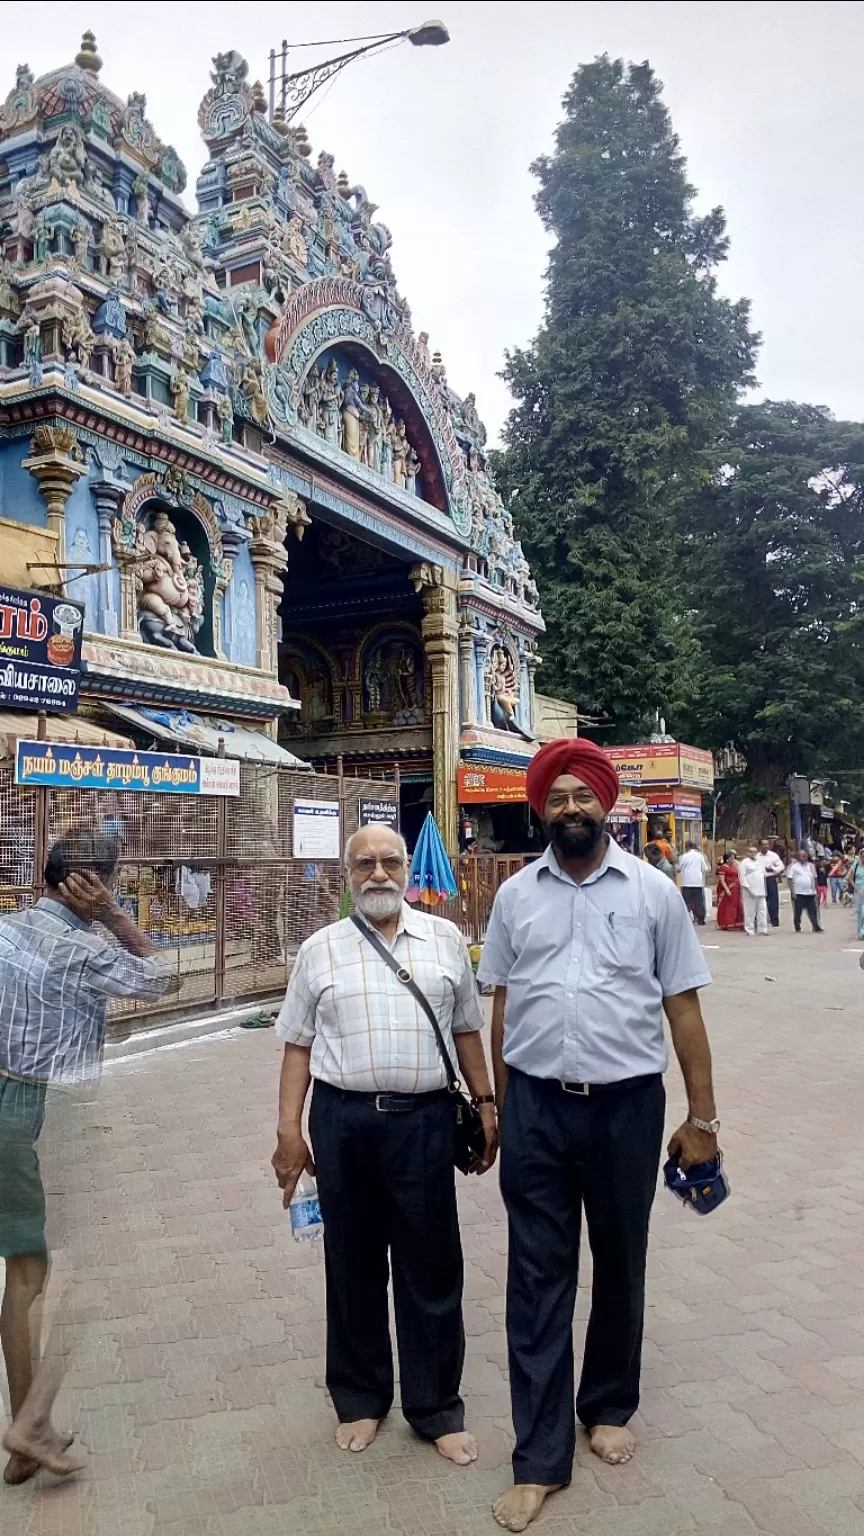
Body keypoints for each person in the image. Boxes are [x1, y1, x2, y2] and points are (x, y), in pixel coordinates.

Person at [477, 738, 717, 1533]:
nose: (571, 808)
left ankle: (608, 1404)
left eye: (585, 796)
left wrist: (703, 1119)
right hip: (538, 1108)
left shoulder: (651, 893)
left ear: (605, 805)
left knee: (620, 1261)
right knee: (536, 1277)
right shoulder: (516, 898)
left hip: (627, 1108)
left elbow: (683, 1007)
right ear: (540, 807)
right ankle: (539, 1459)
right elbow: (502, 1004)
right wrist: (497, 1108)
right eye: (559, 797)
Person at [271, 825, 497, 1466]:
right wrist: (289, 1129)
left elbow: (467, 1032)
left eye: (389, 862)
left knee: (432, 1265)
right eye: (364, 863)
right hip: (341, 1123)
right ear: (347, 873)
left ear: (406, 871)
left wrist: (486, 1107)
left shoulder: (445, 940)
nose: (378, 873)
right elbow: (296, 1044)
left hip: (424, 1124)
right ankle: (362, 1398)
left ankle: (435, 1408)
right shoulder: (320, 950)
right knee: (352, 1264)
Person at [0, 832, 172, 1486]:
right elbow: (164, 977)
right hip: (52, 1113)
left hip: (3, 1103)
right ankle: (29, 1422)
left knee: (25, 1271)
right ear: (92, 884)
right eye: (112, 883)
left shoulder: (6, 930)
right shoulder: (81, 947)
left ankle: (24, 1438)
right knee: (91, 1275)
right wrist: (117, 918)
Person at [787, 848, 822, 933]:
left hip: (810, 893)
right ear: (797, 857)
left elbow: (815, 878)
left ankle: (816, 926)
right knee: (798, 912)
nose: (803, 858)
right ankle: (797, 925)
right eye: (801, 856)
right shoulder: (794, 866)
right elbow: (789, 880)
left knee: (813, 910)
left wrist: (816, 890)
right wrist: (793, 892)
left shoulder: (811, 866)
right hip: (798, 893)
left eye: (804, 856)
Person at [677, 842, 710, 925]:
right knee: (699, 902)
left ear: (687, 847)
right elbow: (705, 869)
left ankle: (683, 919)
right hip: (697, 883)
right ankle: (701, 919)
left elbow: (678, 869)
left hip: (686, 883)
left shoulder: (683, 857)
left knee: (686, 902)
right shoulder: (700, 856)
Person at [739, 847, 769, 936]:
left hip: (761, 890)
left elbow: (763, 874)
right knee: (750, 911)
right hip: (749, 890)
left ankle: (762, 929)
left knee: (762, 910)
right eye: (751, 852)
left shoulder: (759, 861)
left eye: (755, 852)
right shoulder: (744, 862)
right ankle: (749, 929)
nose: (753, 853)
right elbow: (742, 877)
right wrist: (748, 889)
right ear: (747, 852)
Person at [757, 839, 785, 929]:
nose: (765, 846)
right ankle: (762, 920)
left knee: (773, 900)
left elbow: (781, 866)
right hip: (760, 879)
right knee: (761, 900)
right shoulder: (757, 856)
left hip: (770, 878)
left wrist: (773, 869)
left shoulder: (773, 855)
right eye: (763, 845)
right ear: (760, 846)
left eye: (767, 845)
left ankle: (774, 920)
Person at [715, 850, 744, 931]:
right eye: (732, 858)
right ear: (727, 859)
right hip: (726, 889)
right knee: (727, 905)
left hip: (736, 889)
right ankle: (726, 923)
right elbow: (722, 880)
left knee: (736, 905)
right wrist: (727, 890)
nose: (733, 860)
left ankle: (737, 922)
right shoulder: (723, 868)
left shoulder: (734, 867)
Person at [849, 850, 864, 939]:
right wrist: (857, 889)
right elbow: (850, 879)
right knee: (859, 912)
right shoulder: (856, 865)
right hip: (858, 889)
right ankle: (860, 932)